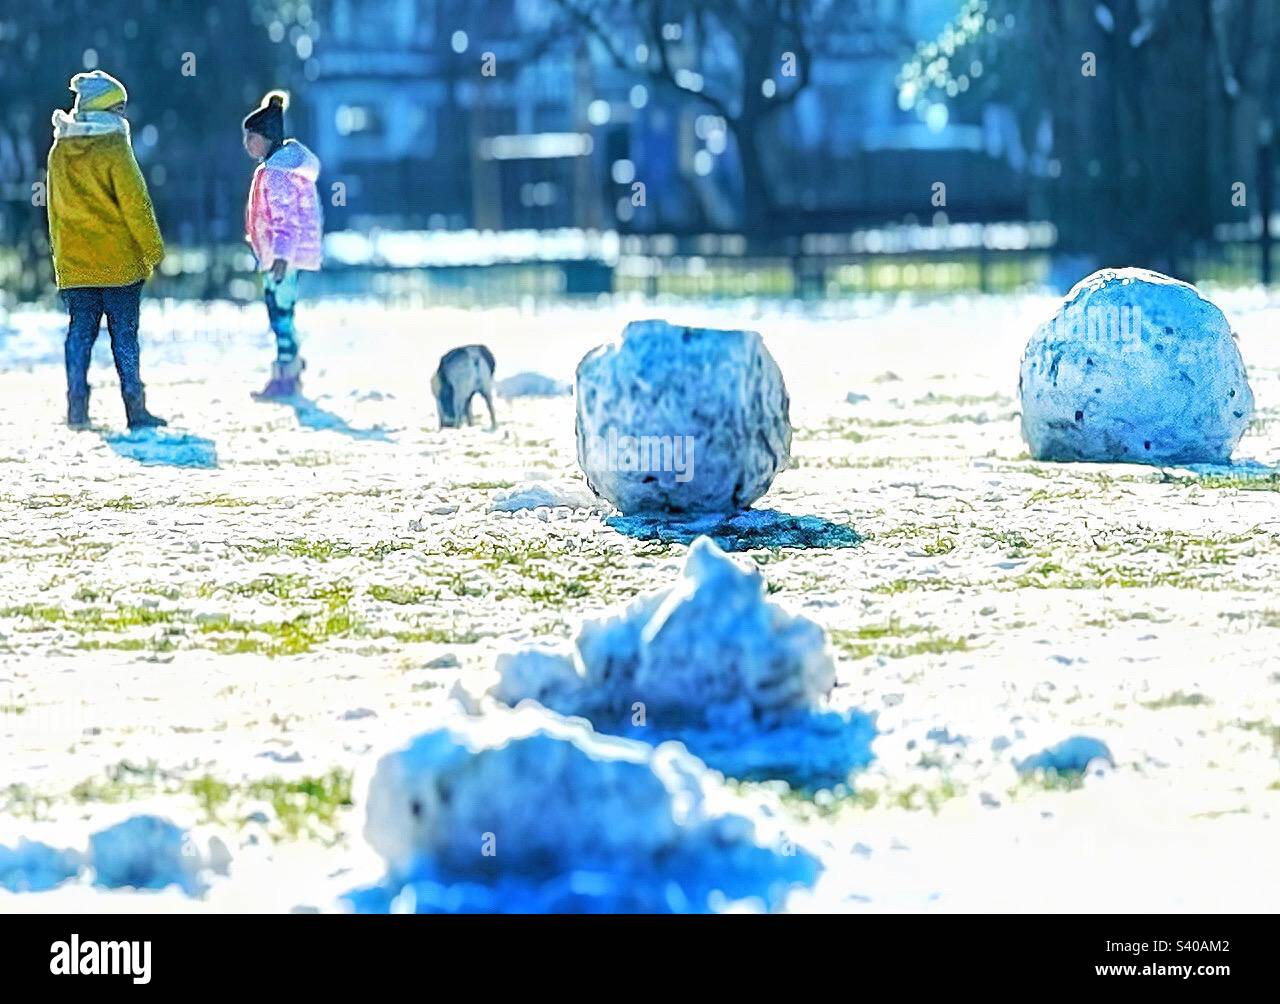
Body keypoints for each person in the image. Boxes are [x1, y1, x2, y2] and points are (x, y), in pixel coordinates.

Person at [47, 70, 166, 430]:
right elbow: (136, 204)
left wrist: (61, 258)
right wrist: (154, 251)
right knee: (124, 338)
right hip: (119, 264)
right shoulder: (115, 147)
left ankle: (77, 407)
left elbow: (54, 210)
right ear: (107, 109)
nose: (124, 115)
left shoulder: (59, 149)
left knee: (79, 334)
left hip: (77, 265)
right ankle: (135, 408)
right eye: (120, 107)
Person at [242, 91, 323, 399]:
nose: (247, 143)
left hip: (281, 259)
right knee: (282, 313)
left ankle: (287, 375)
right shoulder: (279, 167)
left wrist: (280, 257)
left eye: (252, 137)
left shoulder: (277, 173)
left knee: (281, 314)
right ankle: (290, 368)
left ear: (268, 137)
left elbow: (285, 219)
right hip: (278, 256)